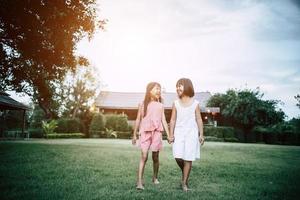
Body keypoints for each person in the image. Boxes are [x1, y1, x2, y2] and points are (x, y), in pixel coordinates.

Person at [132, 82, 171, 190]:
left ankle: (155, 177)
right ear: (149, 91)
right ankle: (139, 182)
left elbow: (163, 120)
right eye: (156, 89)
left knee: (155, 157)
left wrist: (168, 135)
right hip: (145, 132)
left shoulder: (160, 105)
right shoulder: (142, 104)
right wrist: (134, 134)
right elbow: (138, 119)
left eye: (160, 89)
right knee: (144, 156)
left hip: (157, 132)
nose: (159, 91)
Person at [169, 78, 205, 192]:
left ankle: (184, 183)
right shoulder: (175, 103)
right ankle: (185, 170)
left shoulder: (195, 103)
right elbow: (173, 119)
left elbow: (199, 119)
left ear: (188, 86)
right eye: (177, 86)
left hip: (191, 133)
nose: (178, 88)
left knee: (188, 158)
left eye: (180, 85)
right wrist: (170, 134)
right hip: (178, 133)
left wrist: (201, 134)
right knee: (178, 156)